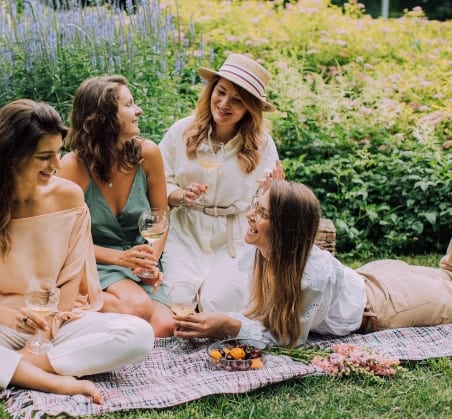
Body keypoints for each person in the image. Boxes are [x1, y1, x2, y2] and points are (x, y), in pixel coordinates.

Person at [0, 99, 155, 402]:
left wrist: (42, 334)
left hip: (61, 323)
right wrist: (13, 320)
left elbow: (69, 282)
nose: (57, 165)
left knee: (139, 335)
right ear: (14, 157)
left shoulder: (69, 197)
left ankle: (5, 368)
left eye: (58, 152)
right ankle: (57, 381)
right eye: (44, 156)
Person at [173, 179, 452, 347]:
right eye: (255, 206)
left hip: (385, 306)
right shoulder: (260, 249)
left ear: (285, 230)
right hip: (367, 276)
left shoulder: (312, 276)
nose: (250, 216)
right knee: (446, 271)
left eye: (261, 213)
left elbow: (290, 338)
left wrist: (229, 326)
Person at [159, 53, 280, 314]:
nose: (224, 104)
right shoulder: (181, 131)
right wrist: (180, 195)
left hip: (233, 239)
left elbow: (269, 201)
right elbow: (158, 181)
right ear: (211, 90)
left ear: (250, 108)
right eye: (221, 92)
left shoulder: (262, 145)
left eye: (237, 100)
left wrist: (273, 190)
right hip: (186, 231)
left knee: (223, 306)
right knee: (174, 300)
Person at [57, 75, 175, 337]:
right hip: (93, 258)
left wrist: (149, 261)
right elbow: (60, 240)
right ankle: (67, 302)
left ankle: (94, 324)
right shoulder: (72, 167)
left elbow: (161, 217)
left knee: (165, 327)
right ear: (103, 118)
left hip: (138, 258)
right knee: (137, 309)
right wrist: (119, 258)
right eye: (129, 105)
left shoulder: (148, 154)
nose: (139, 110)